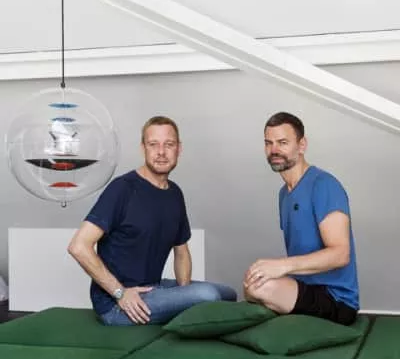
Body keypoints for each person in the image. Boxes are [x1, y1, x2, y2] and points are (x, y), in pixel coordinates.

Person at [68, 116, 236, 326]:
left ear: (179, 149)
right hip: (117, 304)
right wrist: (120, 293)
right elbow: (78, 246)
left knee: (228, 294)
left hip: (153, 288)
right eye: (153, 144)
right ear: (143, 148)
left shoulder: (174, 194)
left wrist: (184, 296)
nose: (161, 152)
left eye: (169, 144)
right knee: (208, 295)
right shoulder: (122, 189)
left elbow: (181, 251)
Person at [244, 112, 359, 325]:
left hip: (336, 300)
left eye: (283, 143)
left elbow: (341, 254)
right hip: (303, 288)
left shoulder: (324, 185)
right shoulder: (284, 194)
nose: (274, 150)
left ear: (302, 145)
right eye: (269, 143)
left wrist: (282, 266)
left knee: (262, 288)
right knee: (251, 285)